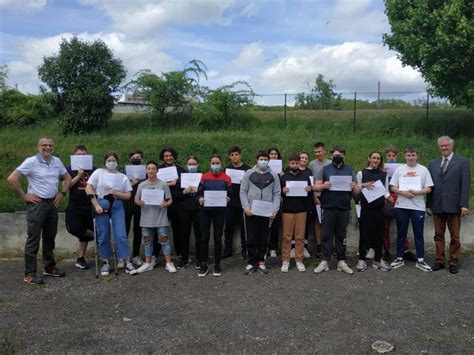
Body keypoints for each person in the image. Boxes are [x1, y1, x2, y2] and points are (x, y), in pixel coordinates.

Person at [7, 137, 71, 285]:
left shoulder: (57, 161)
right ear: (38, 147)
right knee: (33, 239)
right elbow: (12, 178)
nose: (47, 147)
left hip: (52, 205)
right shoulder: (31, 162)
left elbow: (67, 178)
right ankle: (29, 274)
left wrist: (62, 194)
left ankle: (49, 267)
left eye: (50, 145)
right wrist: (24, 195)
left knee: (50, 237)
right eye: (44, 145)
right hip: (37, 205)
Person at [85, 152, 138, 276]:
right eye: (109, 160)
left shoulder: (122, 177)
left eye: (114, 160)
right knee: (103, 235)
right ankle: (106, 263)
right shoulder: (99, 172)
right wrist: (96, 205)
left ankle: (127, 262)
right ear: (105, 162)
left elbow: (128, 195)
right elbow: (88, 188)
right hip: (101, 205)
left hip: (117, 206)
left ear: (117, 162)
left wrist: (117, 193)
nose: (111, 162)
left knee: (121, 235)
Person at [313, 145, 360, 275]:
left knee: (341, 236)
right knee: (326, 235)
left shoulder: (350, 170)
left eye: (339, 156)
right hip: (328, 207)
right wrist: (323, 186)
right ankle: (324, 261)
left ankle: (341, 261)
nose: (337, 158)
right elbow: (315, 187)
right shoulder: (324, 169)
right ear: (331, 155)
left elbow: (357, 192)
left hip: (343, 208)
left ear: (344, 156)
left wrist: (354, 186)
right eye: (335, 155)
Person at [427, 136, 471, 274]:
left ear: (452, 146)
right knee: (438, 235)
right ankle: (439, 260)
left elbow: (465, 184)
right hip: (437, 204)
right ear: (439, 147)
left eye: (446, 146)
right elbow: (430, 185)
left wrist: (464, 205)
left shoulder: (462, 162)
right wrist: (428, 204)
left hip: (454, 205)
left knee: (455, 236)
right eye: (441, 146)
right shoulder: (433, 163)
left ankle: (453, 261)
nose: (444, 148)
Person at [389, 147, 433, 272]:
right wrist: (403, 193)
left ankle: (420, 260)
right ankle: (399, 258)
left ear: (417, 156)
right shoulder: (400, 169)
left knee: (418, 234)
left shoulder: (423, 170)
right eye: (408, 155)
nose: (411, 157)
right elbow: (393, 187)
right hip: (401, 206)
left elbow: (429, 188)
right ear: (405, 156)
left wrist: (418, 192)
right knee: (401, 234)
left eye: (413, 155)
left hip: (417, 207)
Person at [240, 150, 281, 275]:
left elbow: (277, 194)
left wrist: (275, 210)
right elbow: (243, 192)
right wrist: (246, 208)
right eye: (261, 159)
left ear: (268, 161)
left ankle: (261, 261)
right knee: (251, 238)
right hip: (251, 212)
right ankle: (251, 262)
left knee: (264, 238)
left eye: (265, 159)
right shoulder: (249, 173)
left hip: (266, 213)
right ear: (256, 160)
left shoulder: (274, 175)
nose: (263, 161)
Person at [134, 160, 176, 273]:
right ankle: (147, 263)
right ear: (146, 170)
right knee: (147, 241)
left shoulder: (163, 184)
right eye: (149, 169)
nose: (151, 171)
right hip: (146, 217)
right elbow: (136, 200)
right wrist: (140, 202)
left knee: (164, 240)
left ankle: (168, 263)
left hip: (161, 217)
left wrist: (166, 204)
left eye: (153, 168)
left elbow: (170, 199)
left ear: (157, 170)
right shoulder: (141, 185)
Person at [196, 154, 232, 277]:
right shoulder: (204, 177)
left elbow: (230, 194)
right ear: (210, 163)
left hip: (220, 212)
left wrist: (228, 198)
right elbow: (199, 193)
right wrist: (200, 198)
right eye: (213, 163)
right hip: (205, 212)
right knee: (204, 238)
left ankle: (217, 265)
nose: (215, 165)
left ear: (221, 164)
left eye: (217, 163)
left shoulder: (227, 178)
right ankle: (204, 265)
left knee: (217, 238)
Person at [355, 151, 391, 272]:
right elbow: (355, 188)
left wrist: (388, 196)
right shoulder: (362, 173)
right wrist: (363, 185)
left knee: (379, 234)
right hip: (366, 208)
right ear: (369, 158)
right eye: (374, 158)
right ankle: (362, 259)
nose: (376, 160)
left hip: (379, 209)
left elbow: (385, 190)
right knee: (364, 233)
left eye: (378, 159)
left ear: (380, 161)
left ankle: (378, 259)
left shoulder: (383, 174)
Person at [65, 144, 96, 270]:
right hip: (75, 205)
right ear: (74, 156)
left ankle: (80, 258)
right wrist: (78, 175)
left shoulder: (94, 169)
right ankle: (97, 235)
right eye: (79, 155)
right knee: (74, 227)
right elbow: (67, 186)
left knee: (84, 234)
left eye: (84, 154)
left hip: (89, 205)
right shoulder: (69, 169)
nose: (81, 156)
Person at [280, 154, 313, 272]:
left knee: (300, 237)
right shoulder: (283, 177)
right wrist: (283, 191)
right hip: (287, 210)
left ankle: (299, 260)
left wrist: (309, 190)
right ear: (289, 164)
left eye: (296, 163)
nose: (294, 165)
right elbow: (279, 193)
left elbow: (310, 193)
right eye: (292, 163)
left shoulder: (305, 176)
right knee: (287, 237)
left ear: (299, 163)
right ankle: (286, 260)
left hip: (301, 210)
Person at [382, 145, 415, 261]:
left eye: (393, 155)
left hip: (400, 196)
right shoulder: (382, 166)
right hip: (387, 197)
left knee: (402, 223)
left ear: (397, 156)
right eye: (389, 155)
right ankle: (386, 249)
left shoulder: (402, 167)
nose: (391, 157)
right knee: (385, 225)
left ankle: (405, 249)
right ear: (386, 156)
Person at [158, 147, 185, 264]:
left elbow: (182, 188)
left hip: (176, 204)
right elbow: (156, 185)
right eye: (166, 156)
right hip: (161, 204)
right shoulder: (158, 170)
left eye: (170, 155)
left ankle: (180, 254)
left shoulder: (181, 170)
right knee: (159, 230)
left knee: (177, 230)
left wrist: (175, 184)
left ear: (174, 156)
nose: (168, 158)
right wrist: (170, 183)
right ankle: (155, 255)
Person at [223, 146, 251, 259]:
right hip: (230, 204)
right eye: (232, 155)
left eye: (236, 154)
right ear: (230, 157)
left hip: (243, 204)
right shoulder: (226, 170)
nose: (234, 157)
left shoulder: (247, 170)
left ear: (240, 155)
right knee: (228, 228)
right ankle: (227, 250)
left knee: (245, 228)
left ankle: (245, 250)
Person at [177, 156, 202, 269]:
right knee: (184, 235)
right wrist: (184, 191)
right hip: (184, 210)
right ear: (186, 165)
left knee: (199, 235)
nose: (192, 166)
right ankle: (184, 258)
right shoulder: (181, 177)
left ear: (198, 164)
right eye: (189, 164)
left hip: (198, 210)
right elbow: (176, 195)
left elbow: (207, 191)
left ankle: (200, 259)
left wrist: (199, 191)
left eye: (194, 164)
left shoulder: (202, 177)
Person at [308, 142, 332, 258]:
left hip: (328, 195)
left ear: (324, 151)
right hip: (316, 195)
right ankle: (319, 246)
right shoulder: (312, 164)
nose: (318, 154)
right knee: (317, 221)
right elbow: (310, 181)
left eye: (319, 151)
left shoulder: (330, 163)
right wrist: (314, 196)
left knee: (328, 222)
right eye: (316, 152)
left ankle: (328, 246)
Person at [123, 150, 145, 267]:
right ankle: (124, 257)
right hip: (126, 204)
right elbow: (120, 187)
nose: (135, 159)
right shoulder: (124, 172)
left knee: (138, 231)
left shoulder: (147, 172)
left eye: (138, 157)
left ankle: (136, 255)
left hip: (140, 205)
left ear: (142, 159)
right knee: (124, 231)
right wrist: (132, 183)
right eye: (133, 157)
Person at [267, 147, 283, 257]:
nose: (273, 156)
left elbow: (285, 186)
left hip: (276, 200)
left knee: (275, 223)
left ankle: (273, 248)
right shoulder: (263, 168)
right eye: (271, 154)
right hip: (265, 199)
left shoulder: (282, 170)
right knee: (264, 224)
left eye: (275, 154)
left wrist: (283, 176)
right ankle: (264, 247)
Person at [298, 150, 313, 258]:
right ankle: (294, 248)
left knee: (306, 225)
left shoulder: (309, 172)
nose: (303, 160)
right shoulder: (291, 170)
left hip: (306, 202)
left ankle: (304, 248)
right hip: (294, 202)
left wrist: (310, 188)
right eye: (301, 157)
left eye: (305, 158)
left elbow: (312, 187)